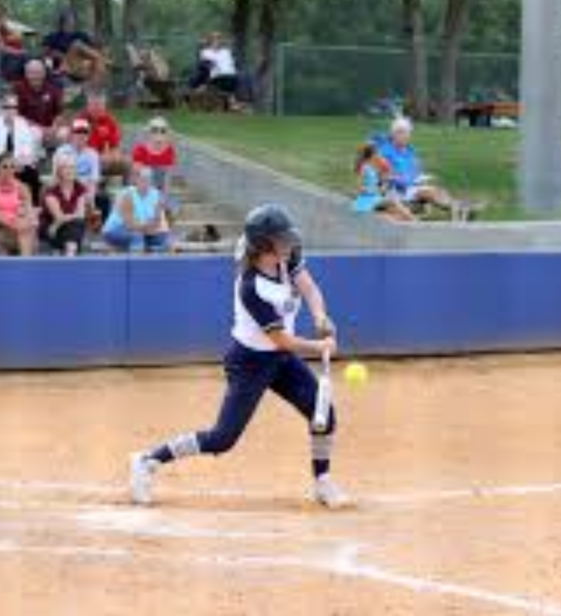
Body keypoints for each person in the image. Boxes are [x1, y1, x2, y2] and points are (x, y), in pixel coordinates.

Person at [129, 204, 351, 509]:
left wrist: (321, 317)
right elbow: (282, 339)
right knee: (223, 438)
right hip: (250, 362)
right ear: (263, 246)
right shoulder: (251, 287)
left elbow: (310, 289)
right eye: (280, 239)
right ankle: (147, 460)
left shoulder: (288, 258)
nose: (288, 243)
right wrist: (320, 347)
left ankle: (322, 482)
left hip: (281, 359)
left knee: (324, 416)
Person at [375, 117, 476, 220]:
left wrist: (423, 177)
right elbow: (384, 176)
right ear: (394, 134)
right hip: (398, 190)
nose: (406, 137)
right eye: (403, 133)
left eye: (408, 133)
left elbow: (415, 170)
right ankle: (456, 207)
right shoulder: (385, 152)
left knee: (437, 189)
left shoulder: (409, 151)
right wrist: (405, 180)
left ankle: (457, 207)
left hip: (413, 185)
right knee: (429, 192)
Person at [0, 93, 42, 204]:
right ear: (1, 108)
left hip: (17, 164)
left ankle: (32, 208)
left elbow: (27, 148)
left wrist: (19, 162)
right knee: (7, 172)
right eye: (7, 107)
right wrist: (10, 161)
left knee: (32, 175)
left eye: (14, 107)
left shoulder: (22, 123)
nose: (10, 110)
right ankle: (6, 207)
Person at [101, 164, 171, 253]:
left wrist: (150, 227)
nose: (146, 181)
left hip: (143, 230)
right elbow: (129, 225)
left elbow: (157, 221)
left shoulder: (156, 195)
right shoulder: (126, 195)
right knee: (137, 237)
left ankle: (156, 263)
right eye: (142, 178)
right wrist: (147, 227)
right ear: (136, 180)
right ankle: (138, 264)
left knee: (163, 240)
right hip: (116, 230)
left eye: (148, 178)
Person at [0, 152, 37, 256]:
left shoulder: (22, 187)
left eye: (12, 167)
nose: (8, 170)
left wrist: (26, 222)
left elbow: (29, 211)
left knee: (27, 234)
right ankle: (26, 266)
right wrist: (16, 225)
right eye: (4, 167)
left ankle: (23, 263)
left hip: (17, 225)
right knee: (24, 236)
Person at [40, 152, 88, 256]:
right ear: (59, 171)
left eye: (72, 167)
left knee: (77, 224)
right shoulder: (51, 191)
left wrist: (61, 221)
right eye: (65, 168)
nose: (70, 171)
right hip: (51, 229)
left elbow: (81, 214)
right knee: (76, 225)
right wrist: (59, 222)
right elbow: (59, 216)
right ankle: (70, 256)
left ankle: (69, 254)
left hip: (66, 228)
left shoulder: (80, 188)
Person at [351, 143, 414, 222]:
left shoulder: (373, 167)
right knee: (393, 201)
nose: (380, 155)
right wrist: (374, 191)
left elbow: (382, 178)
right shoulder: (364, 168)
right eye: (378, 153)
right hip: (366, 200)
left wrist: (384, 184)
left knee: (397, 212)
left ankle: (409, 220)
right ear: (373, 155)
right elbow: (359, 188)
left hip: (375, 198)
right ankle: (413, 221)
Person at [42, 9, 108, 86]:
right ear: (62, 21)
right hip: (63, 67)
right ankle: (102, 61)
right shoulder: (53, 36)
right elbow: (46, 54)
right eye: (68, 19)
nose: (71, 22)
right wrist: (60, 58)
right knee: (77, 44)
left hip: (80, 67)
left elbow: (92, 51)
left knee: (91, 53)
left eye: (72, 19)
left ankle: (97, 76)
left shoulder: (81, 35)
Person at [14, 59, 64, 149]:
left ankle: (54, 152)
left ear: (44, 73)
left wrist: (54, 127)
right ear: (26, 74)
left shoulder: (53, 87)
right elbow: (18, 116)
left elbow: (59, 112)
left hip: (50, 128)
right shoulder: (19, 89)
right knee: (35, 134)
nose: (35, 76)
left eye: (38, 72)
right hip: (30, 128)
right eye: (31, 73)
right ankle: (37, 156)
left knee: (64, 133)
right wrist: (41, 129)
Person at [77, 90, 129, 176]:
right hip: (84, 157)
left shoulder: (110, 121)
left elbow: (115, 146)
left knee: (125, 161)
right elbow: (78, 147)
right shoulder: (81, 120)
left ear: (104, 106)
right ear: (88, 105)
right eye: (94, 105)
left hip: (104, 157)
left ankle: (122, 188)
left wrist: (114, 156)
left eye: (100, 105)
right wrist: (97, 157)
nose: (97, 108)